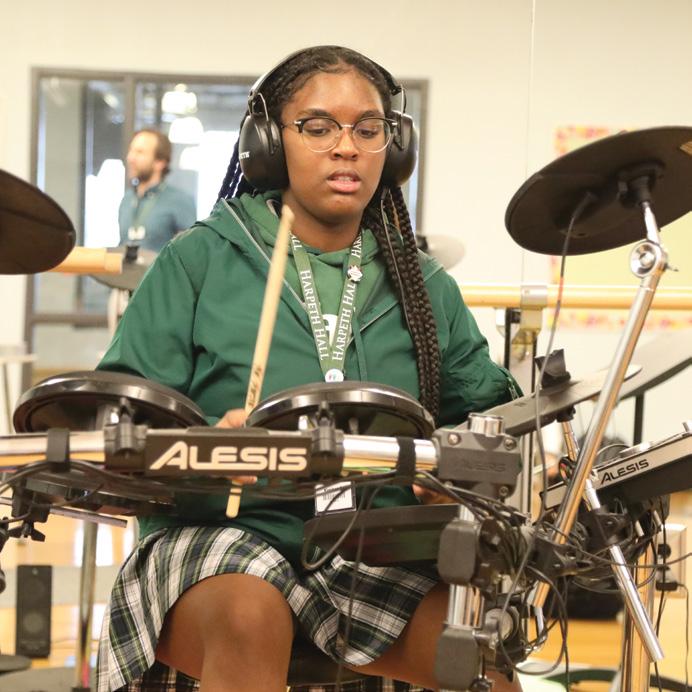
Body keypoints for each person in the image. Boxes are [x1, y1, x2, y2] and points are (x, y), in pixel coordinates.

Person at [96, 46, 521, 692]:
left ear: (393, 148)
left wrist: (458, 474)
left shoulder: (422, 285)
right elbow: (118, 420)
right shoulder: (199, 261)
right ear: (269, 144)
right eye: (318, 127)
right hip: (221, 535)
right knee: (249, 614)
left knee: (479, 651)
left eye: (368, 129)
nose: (346, 147)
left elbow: (489, 413)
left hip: (372, 546)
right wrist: (204, 445)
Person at [118, 128, 197, 252]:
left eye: (139, 152)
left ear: (160, 162)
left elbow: (192, 251)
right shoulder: (127, 199)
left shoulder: (180, 201)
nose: (130, 158)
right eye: (131, 151)